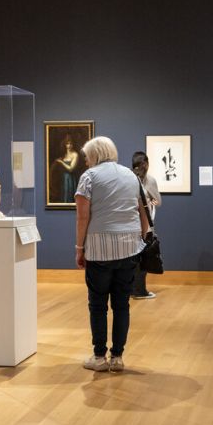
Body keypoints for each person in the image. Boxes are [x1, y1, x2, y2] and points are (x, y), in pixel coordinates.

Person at [75, 137, 150, 372]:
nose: (86, 161)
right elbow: (143, 213)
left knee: (97, 304)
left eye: (87, 156)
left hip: (99, 250)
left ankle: (99, 357)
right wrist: (141, 238)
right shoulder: (131, 176)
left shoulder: (89, 177)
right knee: (121, 305)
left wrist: (79, 248)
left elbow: (82, 217)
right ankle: (117, 357)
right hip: (129, 248)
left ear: (95, 155)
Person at [130, 151, 161, 299]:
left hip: (129, 224)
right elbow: (158, 201)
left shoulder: (127, 178)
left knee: (133, 258)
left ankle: (132, 289)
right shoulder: (147, 180)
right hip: (143, 224)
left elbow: (157, 201)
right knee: (143, 257)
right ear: (146, 164)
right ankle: (139, 290)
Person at [56, 134, 81, 203]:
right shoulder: (64, 155)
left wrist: (61, 162)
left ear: (73, 144)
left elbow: (71, 169)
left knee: (70, 195)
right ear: (65, 145)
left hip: (70, 179)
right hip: (64, 179)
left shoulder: (75, 154)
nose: (69, 145)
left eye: (71, 144)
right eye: (67, 144)